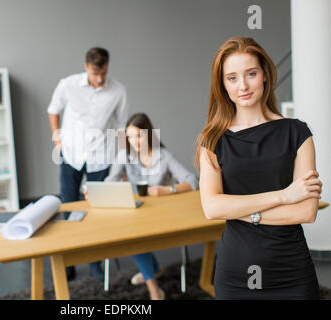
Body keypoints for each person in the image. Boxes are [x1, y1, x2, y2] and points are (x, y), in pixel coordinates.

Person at [195, 36, 323, 299]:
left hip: (292, 272)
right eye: (232, 78)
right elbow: (212, 208)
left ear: (264, 74)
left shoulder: (297, 133)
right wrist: (283, 196)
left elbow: (306, 211)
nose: (242, 85)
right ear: (222, 84)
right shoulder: (212, 140)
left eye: (250, 73)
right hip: (236, 275)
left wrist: (239, 209)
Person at [84, 113, 198, 300]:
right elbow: (109, 181)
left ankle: (153, 284)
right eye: (130, 137)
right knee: (133, 234)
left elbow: (192, 180)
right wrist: (94, 191)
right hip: (137, 213)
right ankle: (154, 283)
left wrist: (167, 190)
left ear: (149, 134)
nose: (134, 141)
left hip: (161, 214)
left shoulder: (164, 156)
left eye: (139, 136)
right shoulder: (125, 155)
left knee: (134, 237)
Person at [47, 47, 129, 281]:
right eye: (95, 73)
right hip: (71, 154)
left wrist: (122, 163)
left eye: (103, 72)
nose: (100, 78)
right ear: (86, 67)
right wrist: (57, 139)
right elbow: (53, 110)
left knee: (97, 209)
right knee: (69, 206)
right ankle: (68, 263)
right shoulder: (68, 85)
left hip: (100, 156)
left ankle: (95, 263)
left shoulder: (119, 91)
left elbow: (123, 126)